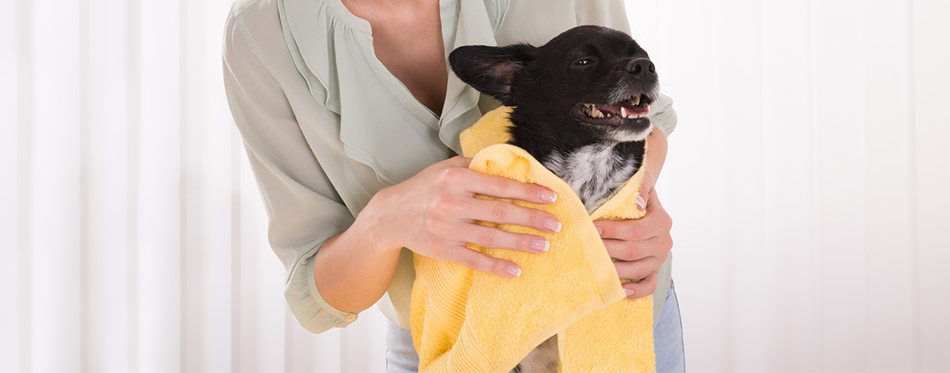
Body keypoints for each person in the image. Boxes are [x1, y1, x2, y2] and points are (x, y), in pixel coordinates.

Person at [222, 0, 684, 371]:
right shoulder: (264, 36)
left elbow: (649, 119)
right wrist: (385, 222)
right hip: (451, 341)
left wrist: (638, 204)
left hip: (625, 315)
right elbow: (317, 291)